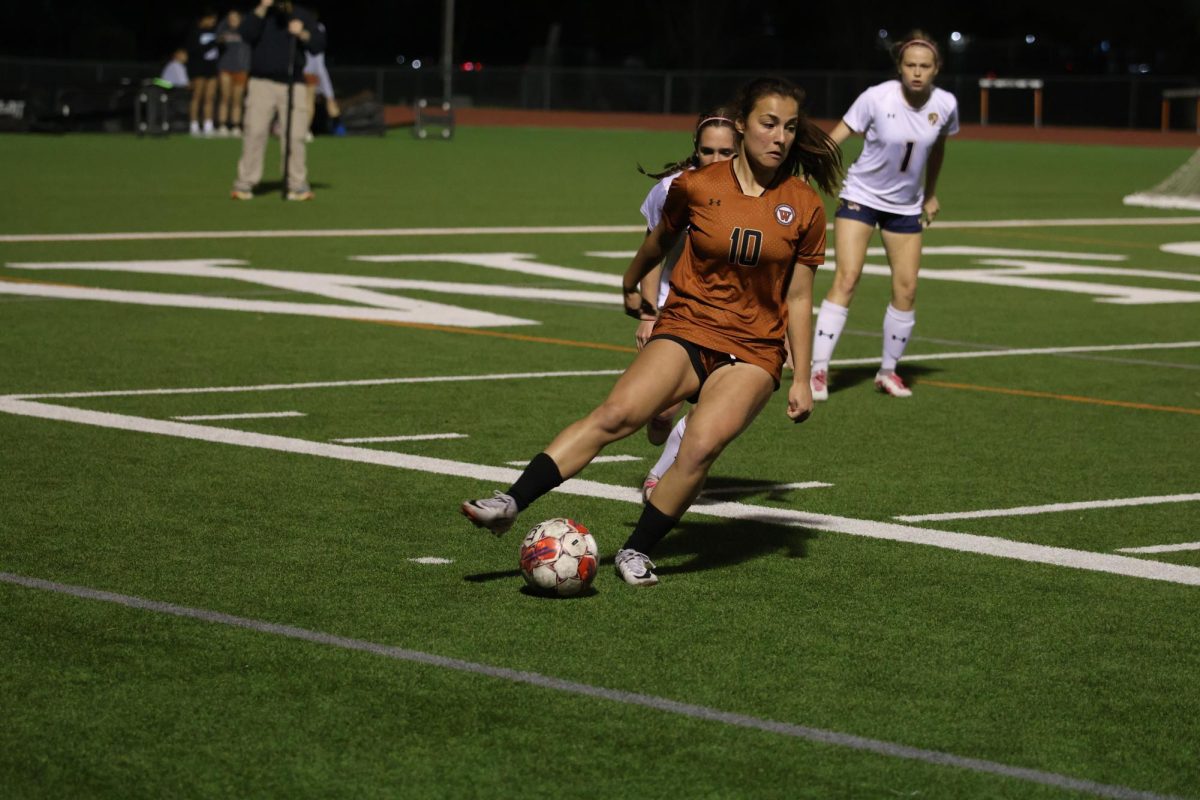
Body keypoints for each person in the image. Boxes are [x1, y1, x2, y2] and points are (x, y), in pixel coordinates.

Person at [462, 77, 842, 587]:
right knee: (617, 414)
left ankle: (637, 549)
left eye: (789, 127)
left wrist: (802, 377)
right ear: (742, 124)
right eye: (769, 124)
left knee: (700, 447)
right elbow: (658, 243)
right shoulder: (697, 186)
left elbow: (798, 297)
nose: (780, 137)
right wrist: (629, 283)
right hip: (688, 325)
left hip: (754, 349)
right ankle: (509, 502)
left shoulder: (805, 204)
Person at [809, 30, 959, 400]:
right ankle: (818, 371)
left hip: (905, 206)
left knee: (907, 288)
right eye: (910, 65)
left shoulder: (946, 103)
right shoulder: (876, 97)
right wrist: (807, 168)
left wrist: (930, 193)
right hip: (861, 197)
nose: (917, 72)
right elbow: (835, 137)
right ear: (900, 67)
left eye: (925, 66)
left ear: (936, 69)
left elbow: (938, 149)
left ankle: (888, 372)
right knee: (847, 278)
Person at [632, 110, 738, 501]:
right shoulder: (673, 189)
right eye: (708, 151)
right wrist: (648, 313)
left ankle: (660, 476)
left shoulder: (758, 192)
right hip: (675, 308)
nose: (716, 159)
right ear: (696, 149)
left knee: (714, 405)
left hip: (732, 314)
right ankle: (665, 438)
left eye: (726, 152)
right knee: (661, 415)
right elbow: (651, 253)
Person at [230, 0, 326, 201]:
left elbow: (318, 44)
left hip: (293, 83)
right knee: (255, 132)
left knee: (295, 135)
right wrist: (262, 7)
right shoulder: (260, 14)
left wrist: (302, 33)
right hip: (261, 82)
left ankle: (296, 184)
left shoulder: (301, 14)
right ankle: (245, 183)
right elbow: (245, 34)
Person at [215, 9, 252, 137]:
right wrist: (220, 39)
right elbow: (217, 40)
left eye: (235, 18)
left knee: (237, 99)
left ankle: (236, 125)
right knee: (225, 96)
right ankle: (222, 125)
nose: (232, 20)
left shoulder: (246, 32)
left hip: (241, 68)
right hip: (225, 68)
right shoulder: (224, 30)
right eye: (230, 18)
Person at [302, 19, 341, 140]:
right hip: (307, 71)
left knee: (308, 101)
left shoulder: (313, 31)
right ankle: (304, 130)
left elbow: (318, 62)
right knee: (308, 102)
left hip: (308, 72)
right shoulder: (312, 29)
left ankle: (305, 130)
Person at [186, 10, 220, 136]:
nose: (213, 21)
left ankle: (208, 125)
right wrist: (213, 43)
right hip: (199, 69)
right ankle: (194, 125)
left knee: (210, 97)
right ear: (203, 19)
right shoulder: (195, 33)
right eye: (211, 18)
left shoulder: (215, 32)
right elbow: (195, 51)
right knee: (197, 97)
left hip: (212, 69)